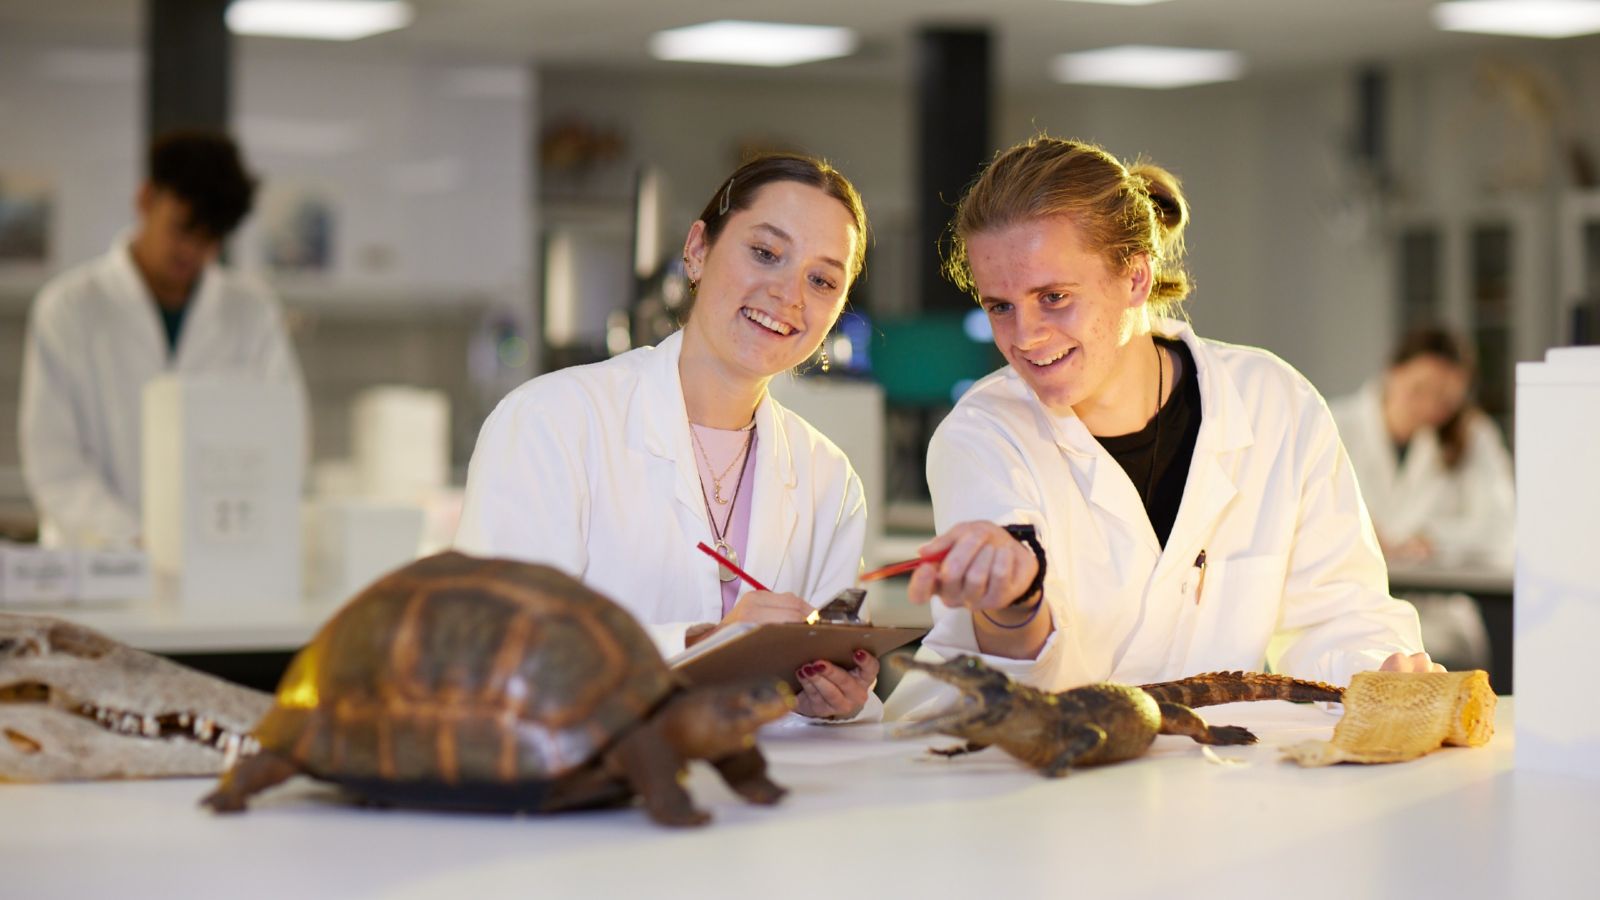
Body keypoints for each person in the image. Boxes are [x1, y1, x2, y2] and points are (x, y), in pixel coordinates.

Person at [885, 137, 1435, 719]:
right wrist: (1015, 601)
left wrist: (1379, 670)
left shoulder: (1274, 403)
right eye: (999, 306)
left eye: (1053, 297)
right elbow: (1011, 676)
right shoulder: (982, 433)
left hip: (1201, 774)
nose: (1025, 335)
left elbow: (1340, 611)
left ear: (1136, 280)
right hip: (1016, 773)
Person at [455, 154, 879, 721]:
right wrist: (702, 641)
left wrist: (837, 701)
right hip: (589, 792)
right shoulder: (549, 421)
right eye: (765, 253)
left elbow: (820, 698)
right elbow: (499, 652)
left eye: (822, 280)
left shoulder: (829, 478)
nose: (790, 295)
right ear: (698, 249)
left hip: (762, 799)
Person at [19, 130, 306, 548]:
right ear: (146, 200)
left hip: (220, 556)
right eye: (181, 229)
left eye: (208, 239)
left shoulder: (251, 312)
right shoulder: (68, 308)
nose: (191, 251)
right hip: (100, 561)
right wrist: (133, 538)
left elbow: (284, 439)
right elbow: (54, 461)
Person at [1329, 328, 1514, 568]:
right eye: (1419, 389)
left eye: (1446, 399)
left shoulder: (1474, 436)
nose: (1429, 406)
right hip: (1355, 590)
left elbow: (1501, 526)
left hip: (1440, 595)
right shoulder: (1335, 425)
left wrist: (1433, 540)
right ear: (1392, 372)